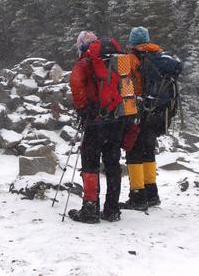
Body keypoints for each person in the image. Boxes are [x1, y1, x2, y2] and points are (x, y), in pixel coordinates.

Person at [68, 31, 125, 223]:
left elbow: (76, 85)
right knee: (113, 164)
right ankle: (112, 209)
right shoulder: (117, 61)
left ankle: (90, 208)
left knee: (90, 164)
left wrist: (83, 109)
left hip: (95, 120)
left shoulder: (84, 64)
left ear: (82, 46)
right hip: (117, 119)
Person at [120, 26, 163, 211]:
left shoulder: (128, 59)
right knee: (148, 151)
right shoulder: (159, 56)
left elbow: (125, 85)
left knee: (134, 152)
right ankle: (151, 193)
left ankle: (137, 196)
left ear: (132, 42)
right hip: (156, 112)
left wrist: (128, 114)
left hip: (137, 111)